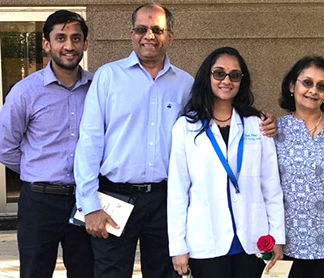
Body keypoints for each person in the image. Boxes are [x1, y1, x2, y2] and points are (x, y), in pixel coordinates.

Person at [74, 4, 277, 278]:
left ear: (170, 36)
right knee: (110, 274)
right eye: (142, 29)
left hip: (163, 199)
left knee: (163, 274)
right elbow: (89, 143)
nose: (149, 36)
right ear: (131, 34)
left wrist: (261, 120)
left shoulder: (185, 84)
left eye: (157, 30)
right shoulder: (108, 77)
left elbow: (215, 120)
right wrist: (90, 206)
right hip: (114, 197)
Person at [167, 46, 285, 278]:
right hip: (205, 239)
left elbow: (271, 187)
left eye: (235, 75)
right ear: (207, 77)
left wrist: (277, 237)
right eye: (219, 73)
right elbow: (178, 191)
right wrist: (178, 246)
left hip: (254, 240)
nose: (226, 80)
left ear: (242, 80)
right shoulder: (186, 127)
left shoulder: (257, 124)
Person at [0, 10, 94, 278]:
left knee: (88, 272)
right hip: (39, 202)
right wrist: (36, 169)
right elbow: (4, 146)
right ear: (46, 44)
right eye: (60, 38)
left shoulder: (99, 88)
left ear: (85, 44)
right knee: (35, 272)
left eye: (76, 38)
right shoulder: (26, 91)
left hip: (86, 201)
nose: (69, 45)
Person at [275, 55, 324, 278]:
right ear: (292, 85)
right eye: (307, 82)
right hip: (287, 247)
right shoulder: (273, 130)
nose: (313, 90)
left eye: (321, 86)